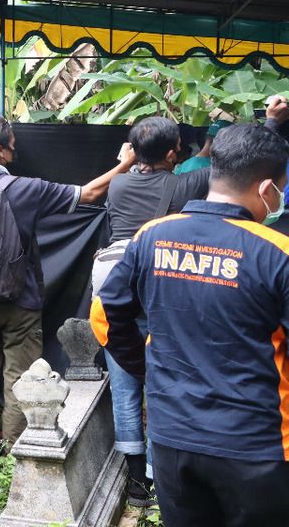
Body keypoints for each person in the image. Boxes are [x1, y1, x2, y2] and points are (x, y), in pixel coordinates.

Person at [93, 124, 289, 527]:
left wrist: (146, 369)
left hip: (172, 441)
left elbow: (104, 317)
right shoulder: (277, 253)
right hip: (257, 446)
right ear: (268, 187)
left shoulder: (152, 236)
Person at [0, 115, 134, 472]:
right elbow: (91, 193)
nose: (15, 151)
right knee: (21, 383)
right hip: (21, 302)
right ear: (0, 150)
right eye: (12, 146)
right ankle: (14, 466)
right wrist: (124, 164)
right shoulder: (26, 188)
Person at [93, 116, 211, 505]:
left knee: (125, 385)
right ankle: (160, 476)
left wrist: (125, 160)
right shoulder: (185, 184)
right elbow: (224, 166)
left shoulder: (120, 183)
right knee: (163, 385)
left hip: (116, 289)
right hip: (163, 288)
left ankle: (135, 484)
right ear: (175, 152)